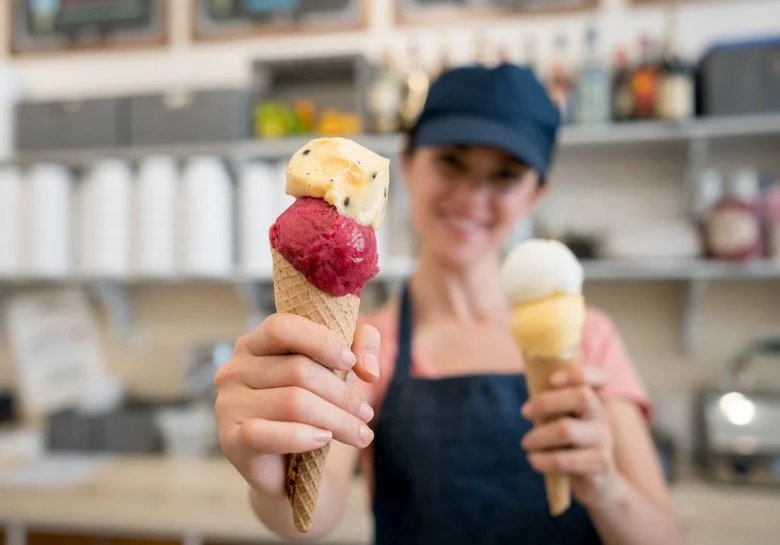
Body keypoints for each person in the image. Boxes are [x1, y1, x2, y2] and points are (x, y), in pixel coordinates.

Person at [214, 63, 684, 545]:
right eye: (452, 162)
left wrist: (607, 489)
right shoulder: (366, 347)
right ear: (409, 164)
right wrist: (273, 473)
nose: (472, 195)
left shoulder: (588, 336)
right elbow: (314, 511)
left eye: (505, 175)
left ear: (535, 194)